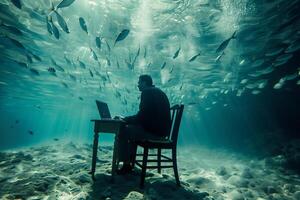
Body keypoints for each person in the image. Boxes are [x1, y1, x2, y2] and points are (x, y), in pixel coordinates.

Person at [115, 74, 171, 174]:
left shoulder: (147, 92)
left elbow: (141, 117)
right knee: (132, 129)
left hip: (155, 134)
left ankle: (126, 164)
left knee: (123, 130)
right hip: (162, 132)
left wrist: (124, 119)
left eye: (139, 82)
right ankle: (129, 163)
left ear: (145, 82)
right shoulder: (158, 91)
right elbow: (145, 116)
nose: (138, 85)